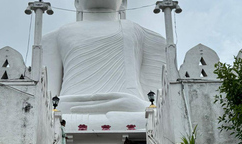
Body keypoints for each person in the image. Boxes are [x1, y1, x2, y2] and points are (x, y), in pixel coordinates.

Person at [43, 0, 165, 131]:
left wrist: (136, 104)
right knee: (52, 117)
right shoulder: (54, 37)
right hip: (70, 107)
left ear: (124, 3)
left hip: (130, 108)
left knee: (150, 117)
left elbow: (158, 100)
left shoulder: (141, 34)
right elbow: (48, 100)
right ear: (77, 2)